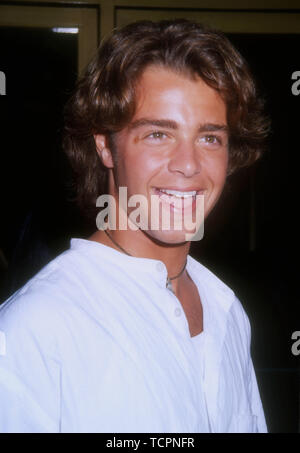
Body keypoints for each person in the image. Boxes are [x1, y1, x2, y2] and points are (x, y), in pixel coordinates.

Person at [0, 19, 270, 433]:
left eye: (210, 138)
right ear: (105, 146)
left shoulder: (227, 310)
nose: (188, 164)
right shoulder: (35, 329)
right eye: (159, 134)